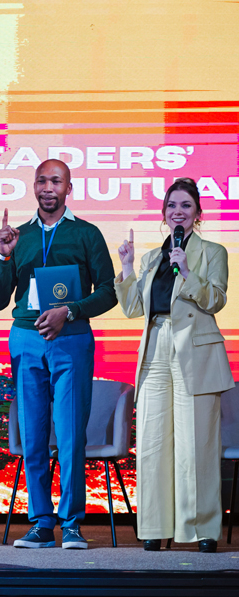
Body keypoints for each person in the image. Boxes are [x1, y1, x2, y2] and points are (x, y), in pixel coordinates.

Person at [0, 158, 117, 550]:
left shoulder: (87, 234)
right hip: (26, 339)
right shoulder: (19, 236)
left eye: (56, 181)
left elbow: (108, 292)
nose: (48, 187)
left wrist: (70, 311)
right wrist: (4, 255)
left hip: (71, 339)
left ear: (68, 188)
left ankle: (72, 523)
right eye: (42, 180)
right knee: (33, 434)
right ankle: (42, 523)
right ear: (34, 186)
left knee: (71, 433)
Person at [115, 177, 233, 553]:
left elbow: (215, 300)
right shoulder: (152, 257)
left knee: (196, 444)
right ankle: (154, 525)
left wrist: (186, 270)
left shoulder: (212, 252)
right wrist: (127, 266)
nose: (177, 212)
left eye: (185, 205)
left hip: (196, 349)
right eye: (171, 205)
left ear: (198, 213)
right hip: (155, 347)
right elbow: (133, 308)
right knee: (151, 443)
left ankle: (202, 530)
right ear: (163, 214)